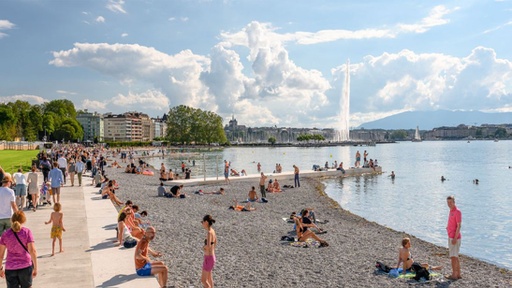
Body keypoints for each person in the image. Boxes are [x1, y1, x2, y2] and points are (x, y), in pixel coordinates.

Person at [0, 211, 38, 287]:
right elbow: (32, 251)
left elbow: (1, 255)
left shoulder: (5, 234)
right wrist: (35, 268)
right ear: (23, 220)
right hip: (25, 266)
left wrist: (0, 268)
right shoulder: (27, 232)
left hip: (10, 268)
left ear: (12, 220)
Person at [446, 195, 462, 280]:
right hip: (450, 235)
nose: (449, 204)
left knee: (453, 257)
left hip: (454, 238)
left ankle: (454, 275)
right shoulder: (451, 211)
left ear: (454, 202)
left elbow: (459, 226)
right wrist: (447, 227)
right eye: (448, 202)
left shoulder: (457, 212)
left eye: (451, 202)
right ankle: (458, 274)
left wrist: (455, 238)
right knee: (455, 256)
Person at [201, 215, 217, 288]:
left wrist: (204, 247)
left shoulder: (209, 233)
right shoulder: (213, 231)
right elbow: (215, 242)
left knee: (203, 280)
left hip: (208, 258)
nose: (202, 224)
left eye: (202, 222)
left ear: (206, 222)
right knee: (209, 278)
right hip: (212, 257)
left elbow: (208, 246)